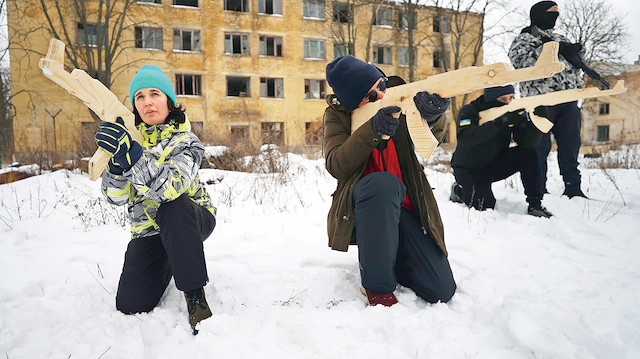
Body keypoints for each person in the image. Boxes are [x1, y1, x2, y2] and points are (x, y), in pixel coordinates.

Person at [323, 55, 456, 307]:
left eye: (381, 85)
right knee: (382, 184)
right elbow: (335, 164)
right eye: (371, 96)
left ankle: (389, 258)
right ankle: (377, 286)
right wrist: (371, 130)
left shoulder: (400, 96)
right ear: (354, 103)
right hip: (367, 204)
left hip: (406, 204)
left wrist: (435, 115)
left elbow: (429, 139)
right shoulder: (337, 116)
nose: (381, 96)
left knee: (441, 289)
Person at [96, 65, 216, 334]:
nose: (147, 101)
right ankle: (173, 258)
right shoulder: (127, 141)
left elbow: (172, 188)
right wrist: (116, 166)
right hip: (149, 231)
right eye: (139, 96)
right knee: (131, 304)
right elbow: (115, 198)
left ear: (169, 101)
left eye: (154, 93)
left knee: (173, 207)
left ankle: (196, 299)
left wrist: (136, 158)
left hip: (192, 218)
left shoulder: (187, 141)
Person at [509, 0, 587, 199]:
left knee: (570, 145)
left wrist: (574, 53)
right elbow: (522, 65)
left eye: (557, 14)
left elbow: (576, 65)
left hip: (568, 101)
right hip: (539, 101)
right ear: (538, 15)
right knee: (538, 147)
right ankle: (538, 188)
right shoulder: (524, 39)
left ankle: (573, 187)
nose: (555, 17)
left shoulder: (560, 37)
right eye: (551, 13)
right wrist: (549, 49)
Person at [449, 85, 553, 218]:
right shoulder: (470, 110)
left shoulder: (511, 112)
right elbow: (465, 138)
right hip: (468, 169)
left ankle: (535, 204)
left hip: (493, 164)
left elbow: (526, 144)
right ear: (491, 98)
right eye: (503, 99)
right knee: (484, 205)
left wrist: (536, 125)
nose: (509, 103)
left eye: (511, 98)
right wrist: (499, 123)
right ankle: (459, 190)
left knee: (528, 154)